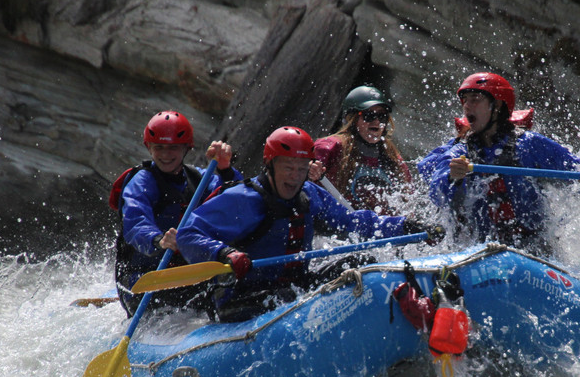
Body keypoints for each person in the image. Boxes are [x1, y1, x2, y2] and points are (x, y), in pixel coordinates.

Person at [177, 126, 442, 323]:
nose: (295, 176)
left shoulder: (309, 194)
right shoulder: (243, 199)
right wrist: (224, 253)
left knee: (361, 263)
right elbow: (188, 233)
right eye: (288, 167)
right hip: (242, 296)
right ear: (269, 165)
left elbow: (354, 222)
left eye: (301, 168)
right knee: (284, 297)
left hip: (294, 286)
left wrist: (406, 227)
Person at [417, 72, 580, 254]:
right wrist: (452, 177)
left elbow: (579, 171)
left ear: (497, 105)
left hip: (535, 251)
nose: (467, 106)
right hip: (479, 251)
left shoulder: (530, 144)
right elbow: (437, 193)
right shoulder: (460, 152)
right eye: (465, 100)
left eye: (475, 99)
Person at [111, 110, 241, 316]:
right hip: (143, 279)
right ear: (149, 147)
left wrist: (226, 169)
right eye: (159, 147)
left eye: (173, 147)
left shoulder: (198, 178)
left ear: (186, 148)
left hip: (189, 273)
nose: (165, 154)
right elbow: (135, 223)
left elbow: (237, 201)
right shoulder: (141, 182)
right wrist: (159, 240)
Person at [307, 85, 414, 213]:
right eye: (369, 115)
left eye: (382, 116)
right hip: (339, 220)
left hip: (381, 223)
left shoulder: (392, 157)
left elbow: (408, 200)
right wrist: (309, 171)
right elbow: (303, 180)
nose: (377, 122)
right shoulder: (329, 147)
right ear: (351, 119)